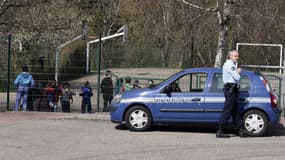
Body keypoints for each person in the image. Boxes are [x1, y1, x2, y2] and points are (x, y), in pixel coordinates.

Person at [216, 50, 247, 138]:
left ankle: (240, 129)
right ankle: (220, 130)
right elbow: (237, 77)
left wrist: (237, 70)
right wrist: (238, 71)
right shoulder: (230, 65)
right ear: (230, 56)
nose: (237, 57)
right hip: (230, 89)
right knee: (228, 110)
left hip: (233, 89)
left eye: (237, 56)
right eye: (235, 56)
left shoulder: (233, 65)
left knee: (235, 110)